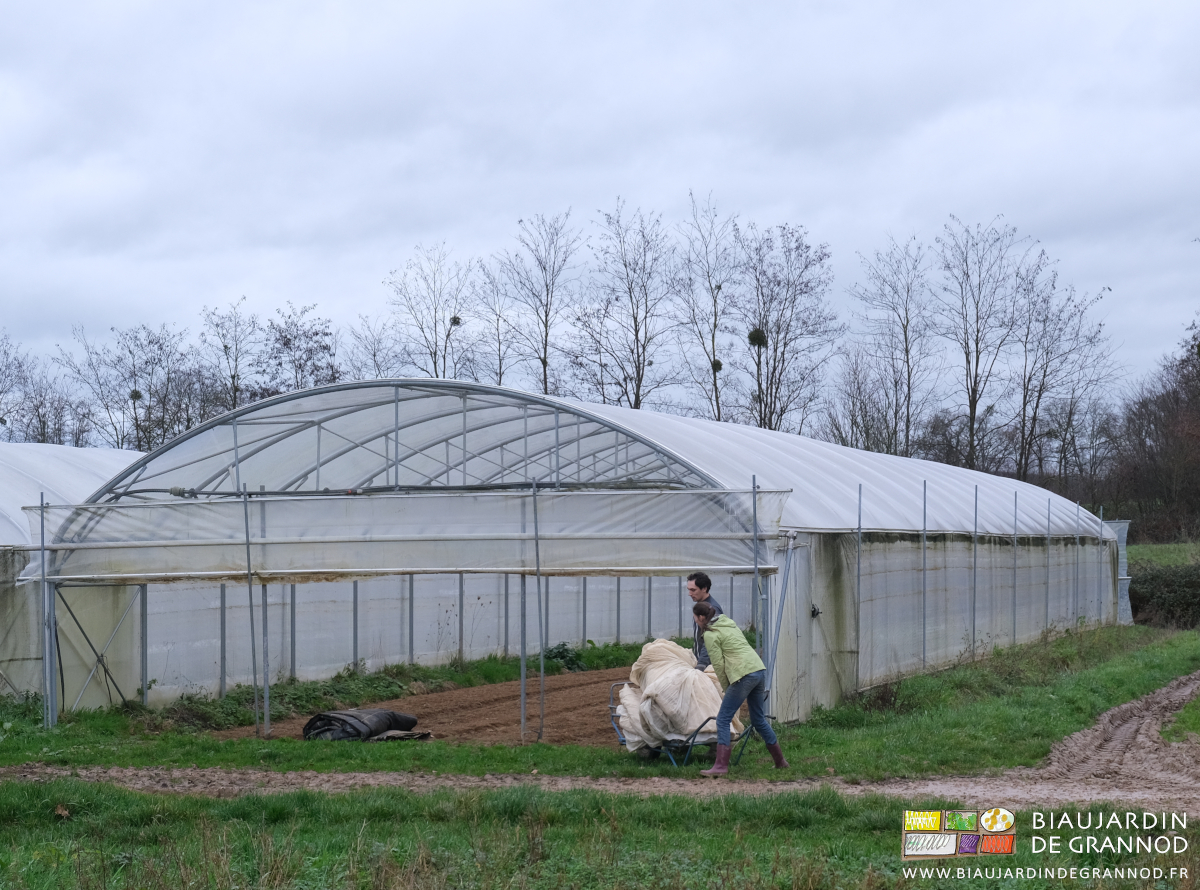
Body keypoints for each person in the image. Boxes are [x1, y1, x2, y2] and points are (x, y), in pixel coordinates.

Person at [693, 601, 789, 776]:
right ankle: (780, 761)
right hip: (758, 669)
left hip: (743, 675)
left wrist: (726, 687)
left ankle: (721, 766)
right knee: (758, 719)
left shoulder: (710, 634)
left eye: (695, 618)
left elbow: (718, 664)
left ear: (700, 617)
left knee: (723, 719)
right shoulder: (727, 623)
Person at [685, 571, 723, 670]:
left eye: (693, 590)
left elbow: (712, 639)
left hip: (710, 665)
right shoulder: (701, 606)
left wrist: (702, 664)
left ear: (704, 588)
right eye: (689, 590)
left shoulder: (712, 609)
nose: (689, 594)